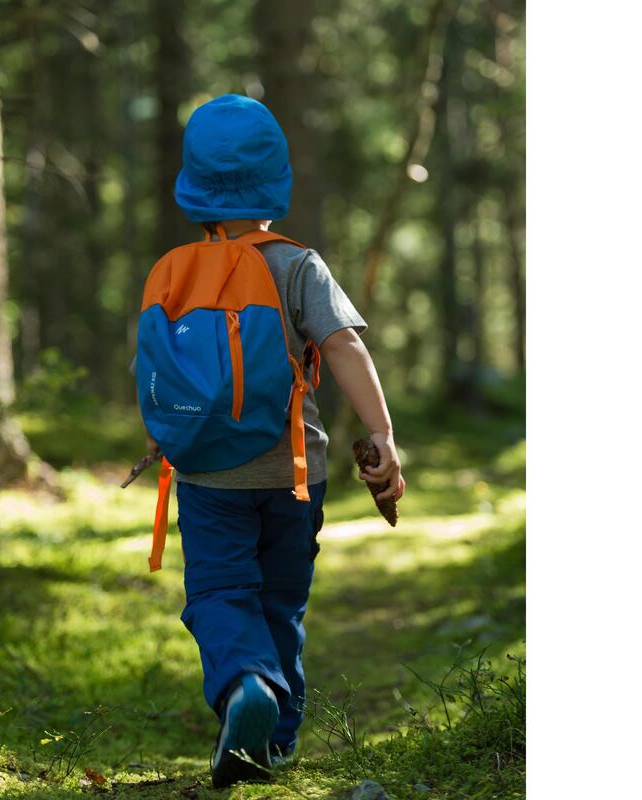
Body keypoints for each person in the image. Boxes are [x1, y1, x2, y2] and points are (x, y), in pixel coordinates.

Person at [141, 94, 405, 787]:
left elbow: (158, 373)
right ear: (275, 182)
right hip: (294, 475)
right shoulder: (297, 265)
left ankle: (243, 687)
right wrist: (381, 432)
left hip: (205, 478)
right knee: (281, 601)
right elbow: (343, 345)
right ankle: (278, 738)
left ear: (194, 187)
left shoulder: (171, 273)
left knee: (221, 594)